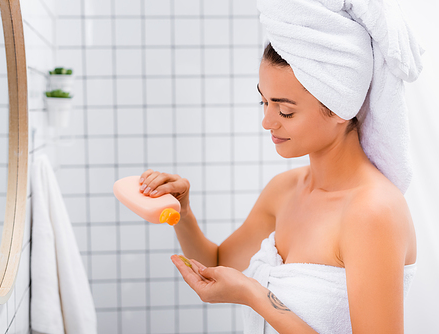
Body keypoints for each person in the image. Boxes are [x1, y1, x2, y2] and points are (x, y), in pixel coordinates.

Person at [137, 0, 422, 332]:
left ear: (341, 107)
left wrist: (257, 296)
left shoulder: (372, 213)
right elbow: (215, 264)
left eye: (285, 111)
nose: (267, 121)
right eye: (264, 101)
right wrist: (182, 212)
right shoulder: (284, 190)